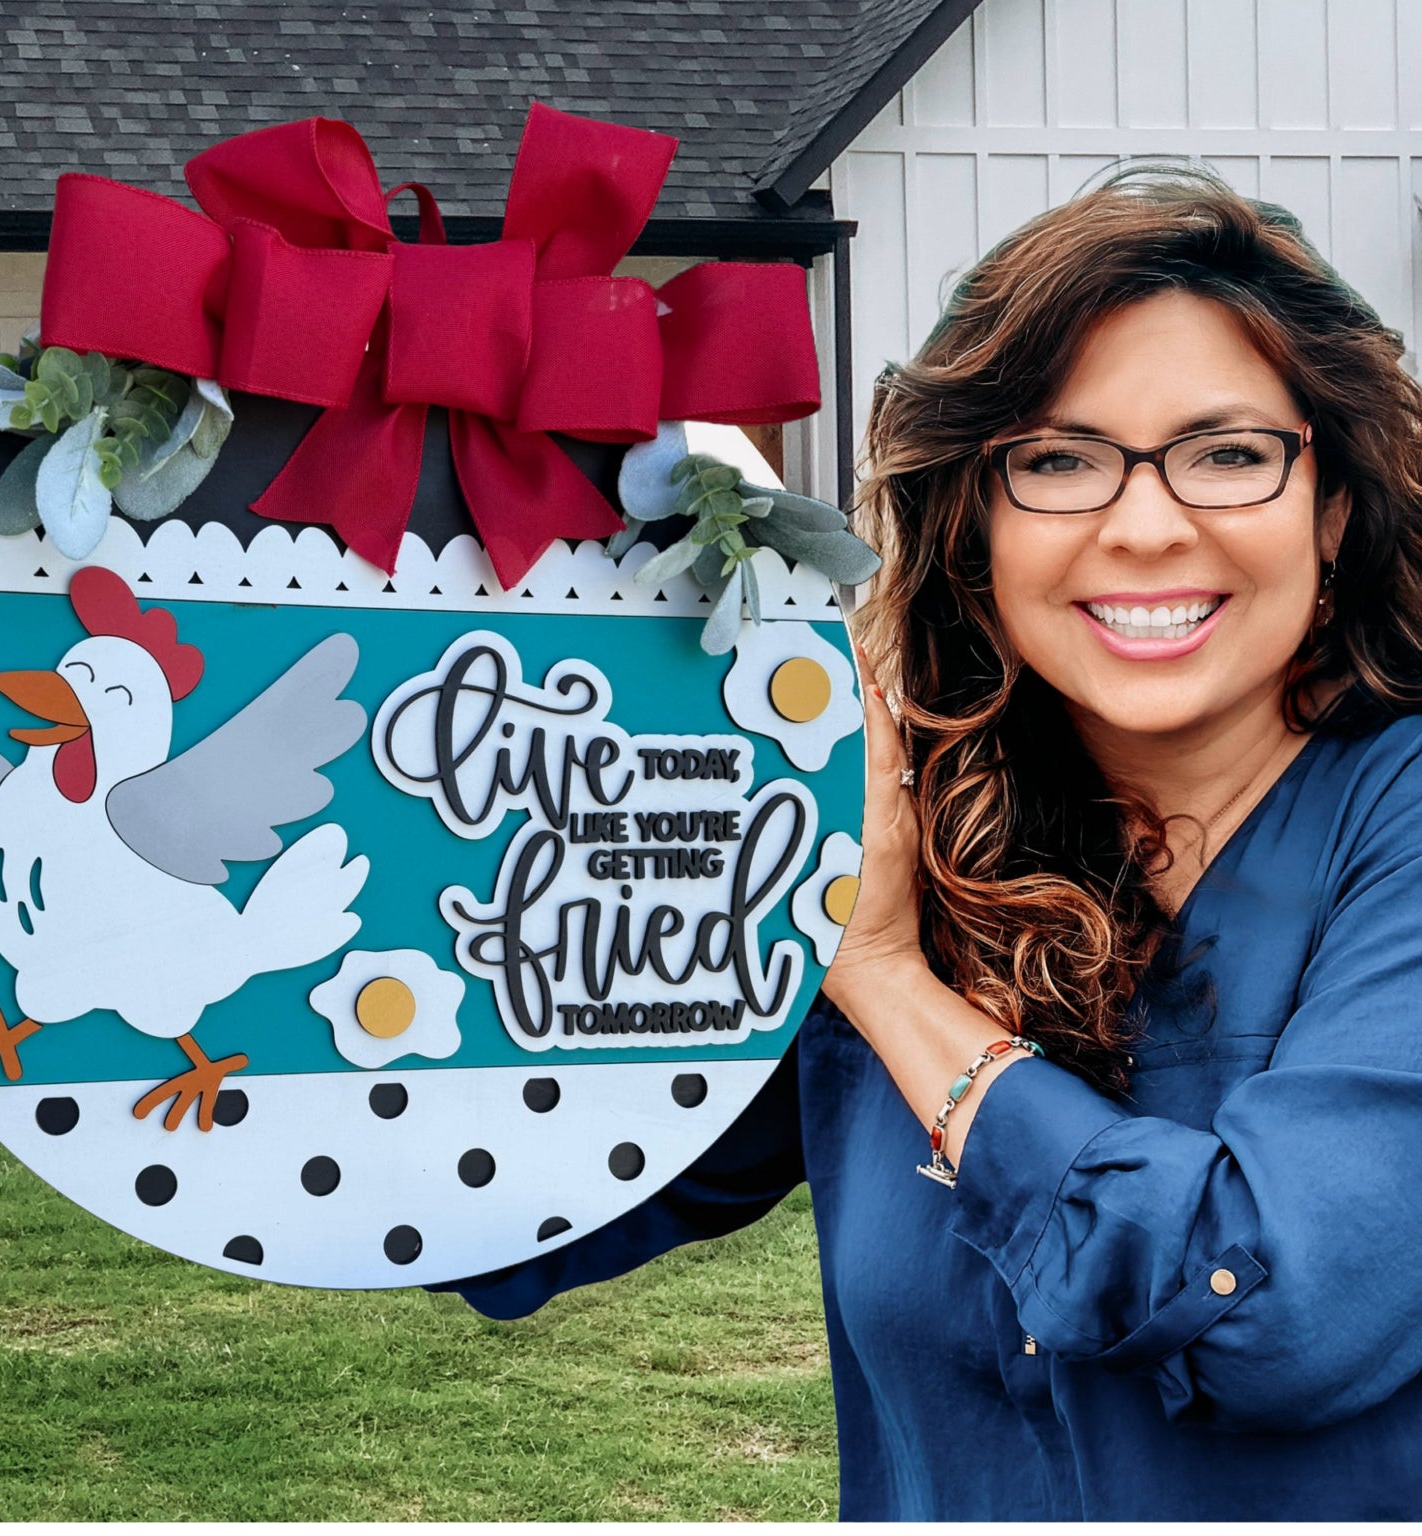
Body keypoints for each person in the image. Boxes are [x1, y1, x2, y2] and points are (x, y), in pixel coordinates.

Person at [431, 163, 1422, 1520]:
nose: (1143, 525)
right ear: (977, 525)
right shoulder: (909, 828)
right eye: (1059, 461)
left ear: (1336, 506)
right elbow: (527, 1204)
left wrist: (891, 979)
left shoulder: (1393, 826)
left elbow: (1277, 1310)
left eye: (1229, 453)